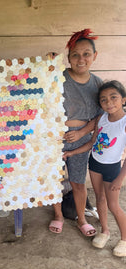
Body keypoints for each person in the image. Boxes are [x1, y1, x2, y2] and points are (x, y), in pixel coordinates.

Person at [48, 29, 102, 236]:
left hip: (82, 141)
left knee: (78, 182)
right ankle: (59, 215)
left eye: (86, 54)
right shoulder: (58, 78)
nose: (81, 59)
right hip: (56, 139)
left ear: (94, 56)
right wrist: (48, 66)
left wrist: (81, 132)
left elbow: (99, 116)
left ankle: (81, 219)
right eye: (75, 54)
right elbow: (44, 103)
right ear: (68, 57)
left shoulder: (97, 84)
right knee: (55, 181)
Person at [63, 80, 126, 256]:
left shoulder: (124, 123)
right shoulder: (101, 119)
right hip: (95, 163)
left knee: (114, 205)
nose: (109, 103)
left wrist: (120, 179)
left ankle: (124, 239)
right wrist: (72, 153)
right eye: (104, 100)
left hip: (112, 168)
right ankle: (104, 231)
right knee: (99, 199)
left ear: (123, 99)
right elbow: (92, 142)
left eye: (114, 97)